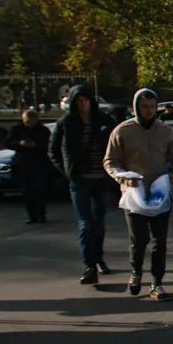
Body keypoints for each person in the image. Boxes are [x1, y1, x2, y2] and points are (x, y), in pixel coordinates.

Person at [105, 89, 173, 300]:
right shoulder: (122, 131)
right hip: (134, 195)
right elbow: (110, 161)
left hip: (160, 194)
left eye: (152, 106)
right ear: (136, 107)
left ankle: (157, 283)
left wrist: (172, 177)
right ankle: (136, 272)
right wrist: (123, 178)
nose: (149, 111)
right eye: (144, 107)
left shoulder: (165, 132)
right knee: (139, 239)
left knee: (159, 242)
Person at [49, 84, 119, 285]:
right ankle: (89, 266)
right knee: (85, 223)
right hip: (80, 181)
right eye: (79, 101)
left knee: (98, 223)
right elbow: (53, 151)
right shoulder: (66, 123)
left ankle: (98, 258)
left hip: (101, 179)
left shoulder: (104, 120)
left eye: (85, 99)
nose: (83, 104)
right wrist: (67, 172)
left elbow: (117, 145)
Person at [6, 109, 52, 224]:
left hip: (39, 163)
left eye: (31, 121)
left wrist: (36, 144)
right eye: (27, 121)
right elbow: (8, 143)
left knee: (40, 190)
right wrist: (20, 143)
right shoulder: (17, 129)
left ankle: (41, 214)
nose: (29, 124)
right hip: (23, 163)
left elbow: (49, 145)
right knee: (27, 191)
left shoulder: (43, 130)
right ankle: (32, 215)